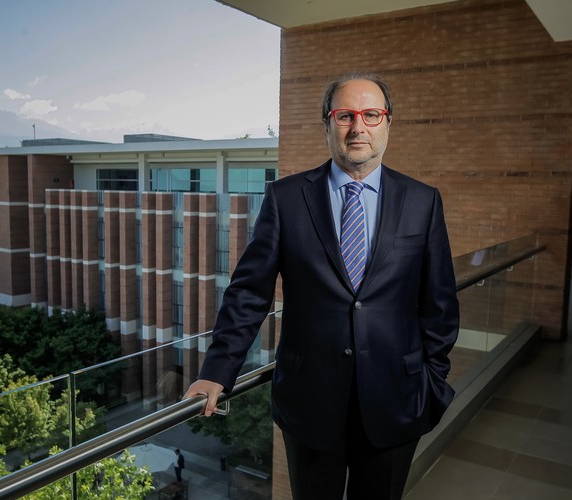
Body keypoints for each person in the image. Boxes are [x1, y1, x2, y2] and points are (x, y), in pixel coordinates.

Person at [184, 71, 460, 500]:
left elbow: (439, 303)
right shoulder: (286, 198)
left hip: (397, 399)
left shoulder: (423, 201)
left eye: (371, 115)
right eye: (345, 115)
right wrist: (217, 373)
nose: (358, 127)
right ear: (327, 124)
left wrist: (433, 383)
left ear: (388, 123)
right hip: (309, 401)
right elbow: (249, 293)